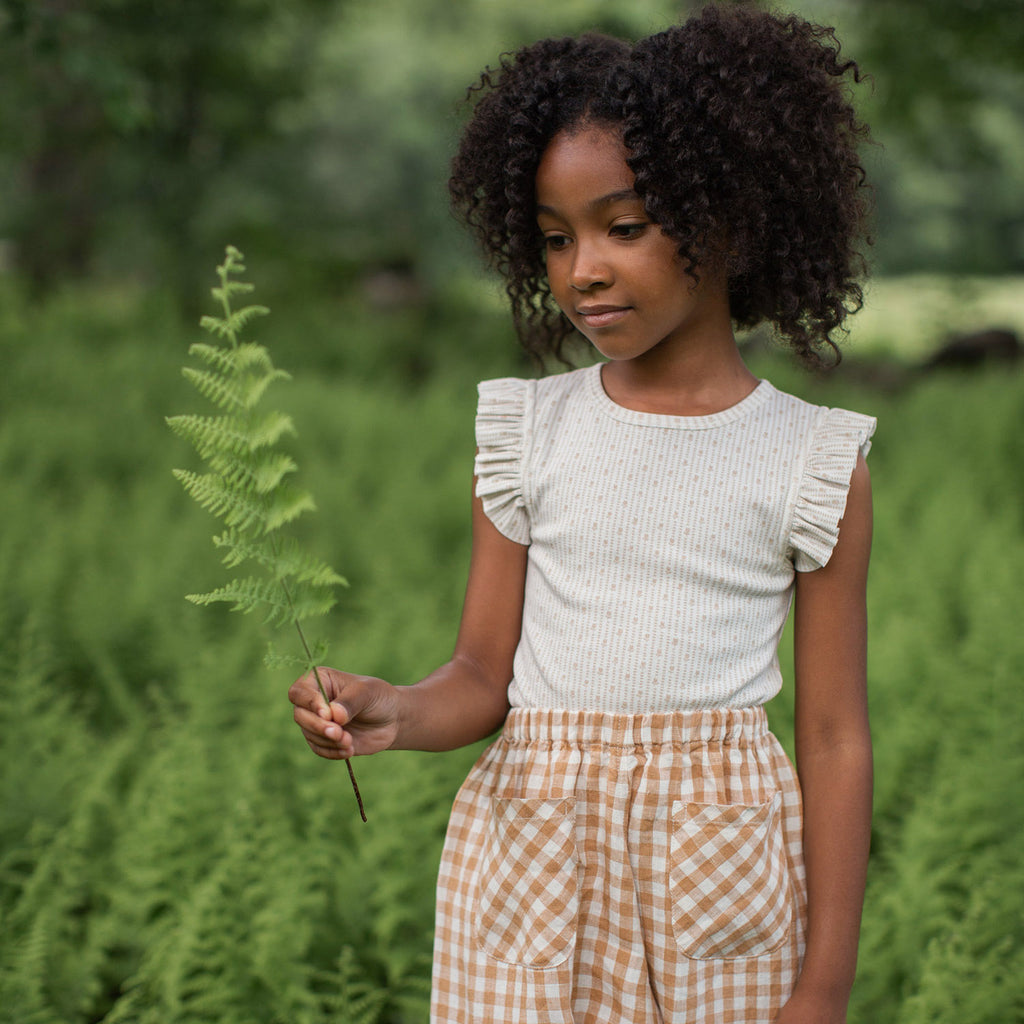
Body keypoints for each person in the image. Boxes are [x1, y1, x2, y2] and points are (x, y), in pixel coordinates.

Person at [290, 5, 875, 1022]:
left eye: (624, 226)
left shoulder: (811, 460)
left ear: (726, 213)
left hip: (718, 879)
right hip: (531, 870)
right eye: (555, 239)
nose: (583, 271)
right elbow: (481, 679)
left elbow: (831, 736)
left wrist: (822, 983)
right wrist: (393, 708)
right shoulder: (526, 433)